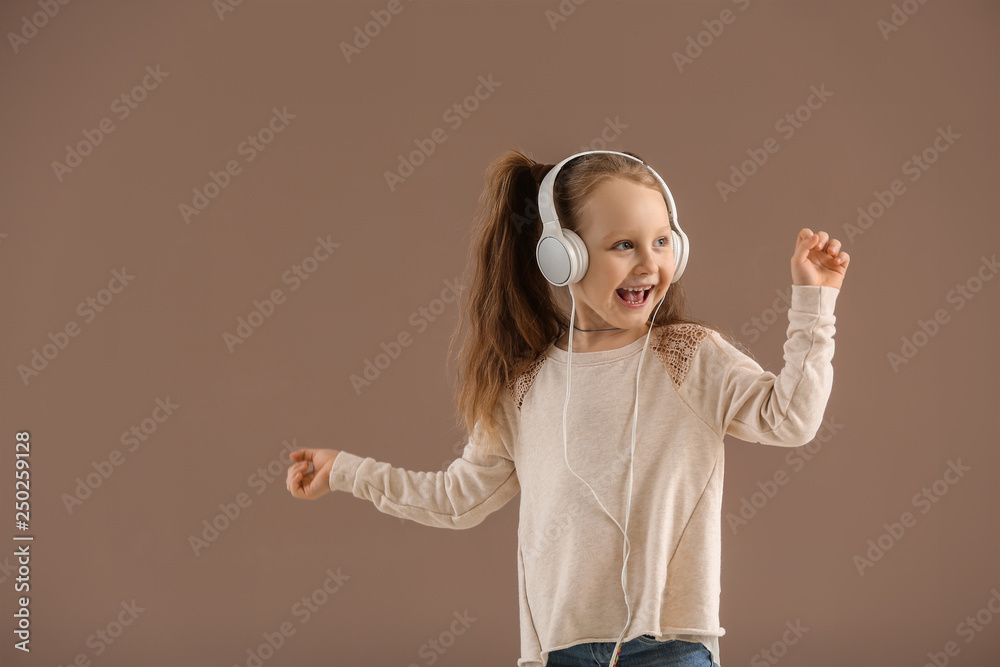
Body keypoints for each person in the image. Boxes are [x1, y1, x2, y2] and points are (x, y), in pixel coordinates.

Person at [285, 149, 850, 667]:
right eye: (622, 245)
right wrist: (345, 471)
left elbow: (791, 419)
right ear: (563, 256)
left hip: (671, 644)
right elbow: (457, 501)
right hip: (564, 650)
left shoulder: (690, 357)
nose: (649, 263)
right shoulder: (524, 387)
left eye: (661, 242)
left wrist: (814, 303)